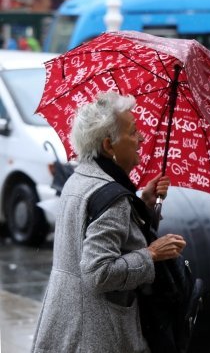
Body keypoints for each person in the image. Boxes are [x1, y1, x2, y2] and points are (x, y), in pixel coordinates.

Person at [31, 92, 187, 352]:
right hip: (96, 333)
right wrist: (151, 254)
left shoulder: (79, 179)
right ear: (109, 145)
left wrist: (145, 205)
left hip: (66, 321)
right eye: (133, 132)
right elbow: (99, 273)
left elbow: (104, 237)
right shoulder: (111, 197)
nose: (141, 139)